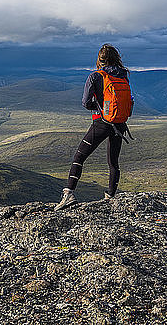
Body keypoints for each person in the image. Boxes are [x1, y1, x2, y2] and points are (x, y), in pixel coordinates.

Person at [54, 44, 132, 211]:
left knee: (79, 157)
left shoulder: (96, 76)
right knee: (113, 162)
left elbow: (85, 102)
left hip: (102, 123)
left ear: (99, 59)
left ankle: (69, 194)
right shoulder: (124, 75)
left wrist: (100, 108)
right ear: (116, 57)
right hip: (120, 124)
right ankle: (111, 196)